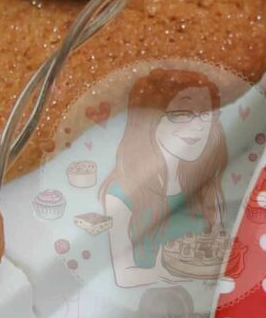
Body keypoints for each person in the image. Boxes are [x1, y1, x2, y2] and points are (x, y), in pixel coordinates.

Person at [99, 76, 231, 292]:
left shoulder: (205, 183)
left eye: (206, 114)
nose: (199, 127)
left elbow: (218, 247)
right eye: (182, 114)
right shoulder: (121, 193)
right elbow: (123, 275)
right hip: (146, 304)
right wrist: (160, 274)